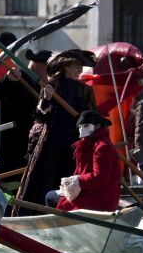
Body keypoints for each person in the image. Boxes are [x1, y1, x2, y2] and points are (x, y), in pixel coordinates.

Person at [16, 49, 98, 206]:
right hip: (51, 142)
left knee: (69, 181)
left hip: (75, 144)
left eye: (81, 67)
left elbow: (92, 117)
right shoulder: (51, 86)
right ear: (66, 66)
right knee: (46, 180)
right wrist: (46, 98)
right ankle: (41, 211)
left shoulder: (86, 90)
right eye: (76, 66)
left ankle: (64, 212)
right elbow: (40, 116)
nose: (79, 70)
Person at [0, 48, 49, 172]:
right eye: (47, 66)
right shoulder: (16, 78)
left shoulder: (44, 86)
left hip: (28, 144)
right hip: (9, 143)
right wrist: (6, 79)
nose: (50, 71)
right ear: (35, 64)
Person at [46, 110, 121, 212]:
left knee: (50, 197)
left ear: (97, 126)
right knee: (53, 194)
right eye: (80, 127)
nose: (81, 129)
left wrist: (77, 180)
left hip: (99, 200)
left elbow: (100, 177)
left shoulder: (102, 147)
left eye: (85, 126)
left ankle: (61, 225)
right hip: (92, 194)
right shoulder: (87, 144)